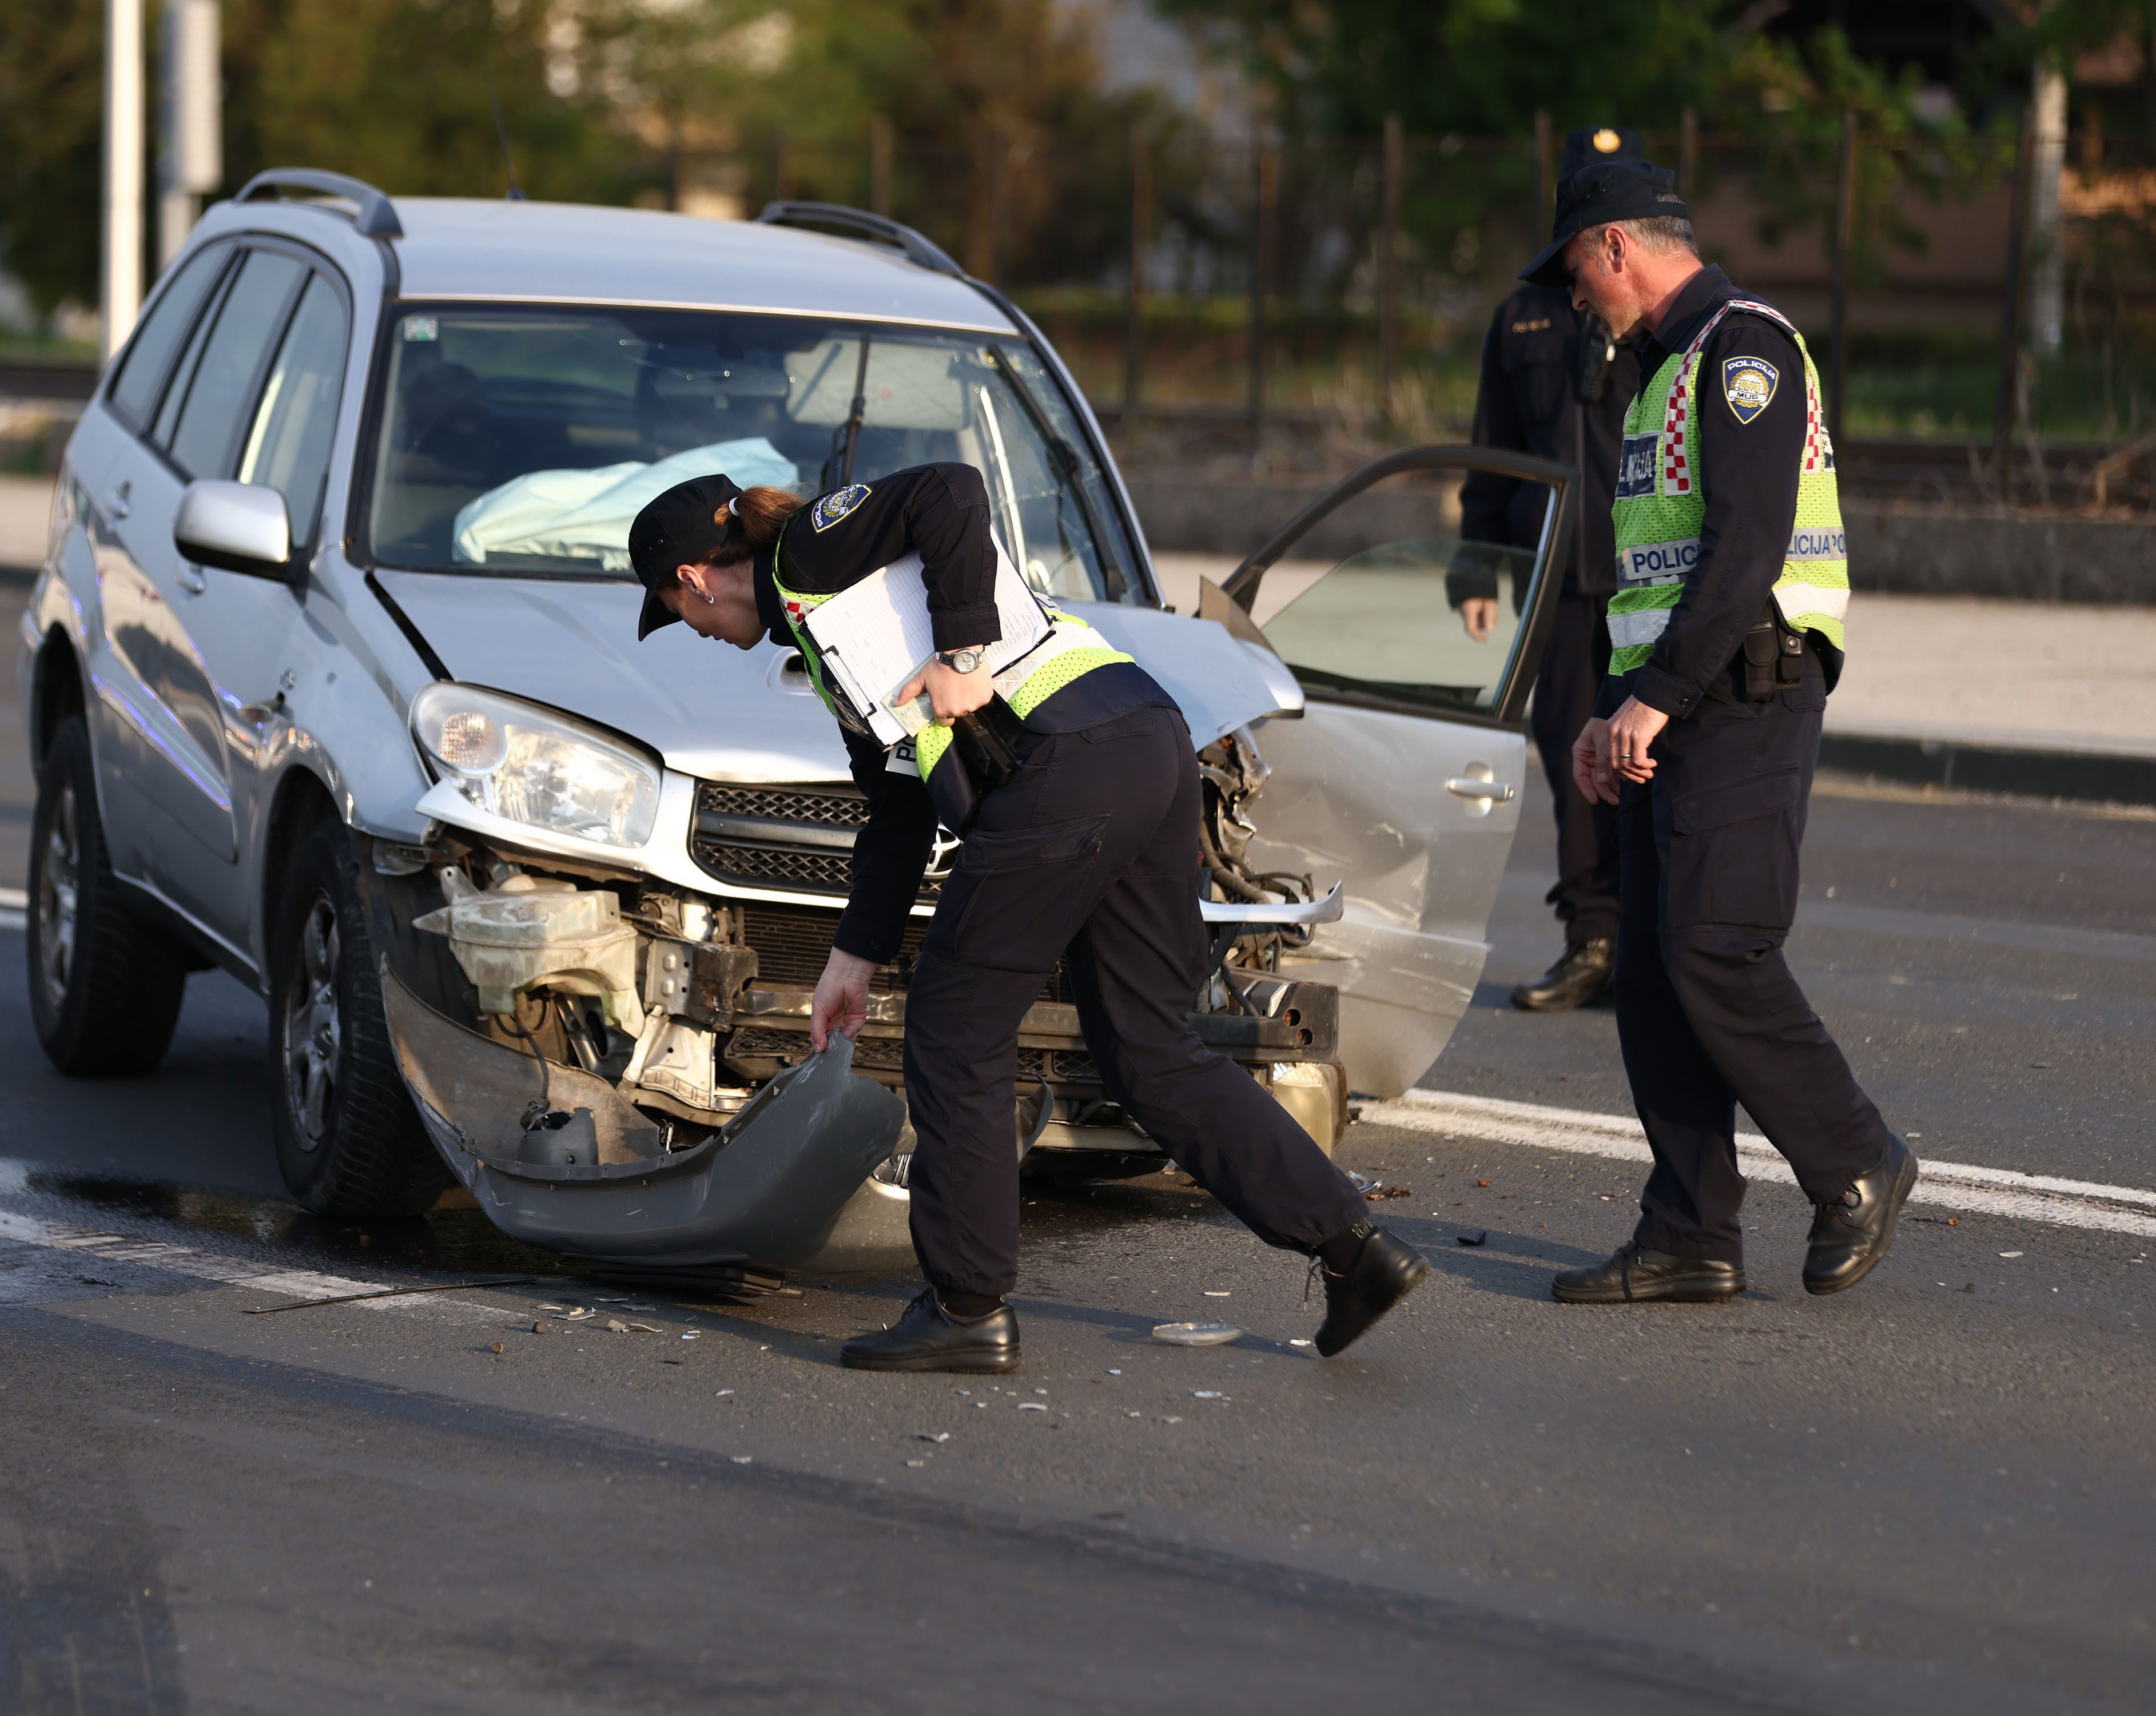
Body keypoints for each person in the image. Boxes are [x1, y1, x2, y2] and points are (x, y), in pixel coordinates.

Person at [627, 464, 1429, 1369]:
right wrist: (852, 955)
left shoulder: (812, 548)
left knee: (955, 1027)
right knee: (1148, 1047)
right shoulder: (825, 632)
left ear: (694, 577)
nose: (697, 634)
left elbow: (953, 491)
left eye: (678, 613)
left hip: (1069, 766)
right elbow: (895, 808)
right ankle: (1352, 1247)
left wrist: (965, 655)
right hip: (1142, 743)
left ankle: (966, 1307)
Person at [1515, 161, 1915, 1305]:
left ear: (1613, 249)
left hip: (1747, 694)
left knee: (1715, 948)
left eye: (1578, 278)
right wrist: (1614, 706)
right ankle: (1690, 1230)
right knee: (1650, 973)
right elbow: (1663, 571)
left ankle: (1856, 1161)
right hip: (1681, 703)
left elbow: (1746, 548)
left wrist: (1660, 692)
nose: (1577, 303)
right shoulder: (1658, 375)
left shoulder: (1743, 350)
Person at [1454, 126, 1645, 1012]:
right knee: (1578, 772)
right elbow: (1494, 452)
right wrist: (1476, 571)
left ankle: (1654, 944)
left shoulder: (1660, 316)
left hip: (1646, 579)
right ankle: (1593, 940)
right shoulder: (1526, 314)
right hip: (1554, 582)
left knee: (1651, 765)